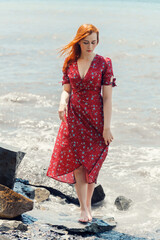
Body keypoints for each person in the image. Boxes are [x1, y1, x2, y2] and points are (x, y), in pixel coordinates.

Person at [47, 23, 117, 223]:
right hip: (74, 117)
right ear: (79, 41)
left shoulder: (104, 62)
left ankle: (87, 207)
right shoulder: (70, 62)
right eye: (86, 42)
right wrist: (62, 103)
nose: (90, 46)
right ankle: (84, 208)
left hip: (96, 119)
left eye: (94, 42)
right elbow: (67, 89)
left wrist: (107, 127)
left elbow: (107, 98)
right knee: (79, 164)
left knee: (92, 163)